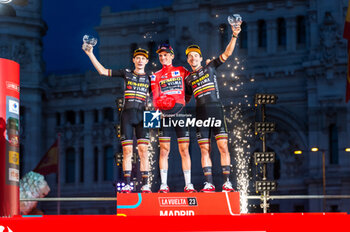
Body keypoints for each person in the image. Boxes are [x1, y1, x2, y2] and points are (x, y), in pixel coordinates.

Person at [83, 44, 151, 193]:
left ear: (146, 61)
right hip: (126, 115)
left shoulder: (150, 78)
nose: (140, 61)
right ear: (133, 60)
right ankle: (127, 184)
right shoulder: (126, 73)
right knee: (127, 152)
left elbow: (163, 94)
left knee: (144, 151)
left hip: (142, 116)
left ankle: (146, 184)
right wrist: (90, 54)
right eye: (138, 58)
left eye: (143, 58)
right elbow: (102, 71)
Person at [184, 22, 241, 192]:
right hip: (200, 114)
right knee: (204, 149)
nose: (193, 58)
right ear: (187, 60)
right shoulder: (187, 79)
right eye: (190, 56)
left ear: (201, 58)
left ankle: (227, 182)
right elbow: (183, 100)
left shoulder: (210, 66)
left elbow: (227, 53)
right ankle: (208, 183)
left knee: (223, 146)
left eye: (196, 55)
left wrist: (235, 34)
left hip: (216, 110)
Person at [151, 44, 196, 193]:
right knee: (164, 150)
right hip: (164, 115)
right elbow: (155, 97)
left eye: (166, 55)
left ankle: (188, 184)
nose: (163, 58)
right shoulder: (155, 75)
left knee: (184, 150)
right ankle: (164, 185)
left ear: (172, 56)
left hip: (180, 113)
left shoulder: (182, 71)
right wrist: (158, 111)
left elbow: (192, 85)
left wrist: (184, 101)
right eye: (160, 56)